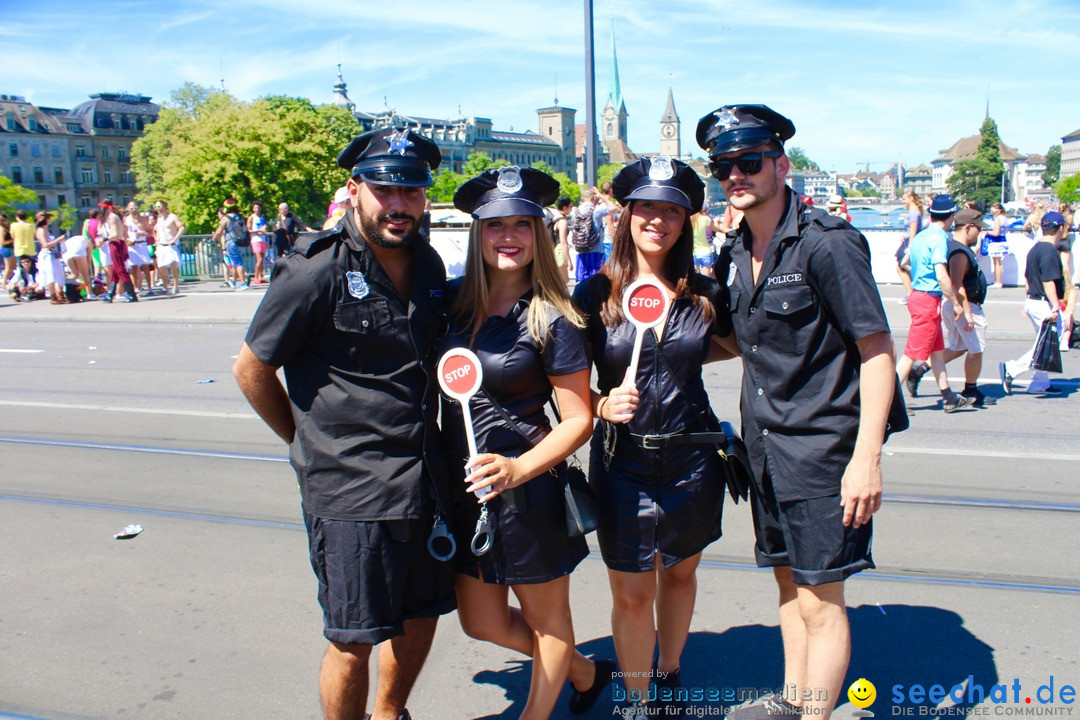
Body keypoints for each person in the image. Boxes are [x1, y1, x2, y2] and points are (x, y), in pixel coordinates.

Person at [233, 127, 456, 720]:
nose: (399, 203)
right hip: (350, 486)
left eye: (412, 191)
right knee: (353, 638)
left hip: (423, 476)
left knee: (420, 613)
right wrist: (302, 439)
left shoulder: (428, 263)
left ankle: (390, 714)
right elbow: (252, 368)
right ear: (355, 189)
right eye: (385, 189)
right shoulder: (316, 271)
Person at [697, 104, 896, 720]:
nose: (736, 174)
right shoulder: (735, 251)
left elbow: (877, 350)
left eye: (749, 162)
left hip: (821, 450)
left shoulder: (827, 245)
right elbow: (739, 340)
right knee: (788, 582)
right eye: (723, 166)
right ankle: (793, 701)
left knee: (820, 598)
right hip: (764, 448)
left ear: (780, 165)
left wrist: (866, 459)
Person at [443, 166, 612, 719]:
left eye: (521, 224)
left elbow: (578, 419)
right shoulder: (452, 304)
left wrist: (518, 471)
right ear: (478, 233)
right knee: (482, 621)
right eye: (495, 225)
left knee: (548, 623)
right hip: (464, 486)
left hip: (527, 487)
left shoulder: (554, 317)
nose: (508, 236)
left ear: (539, 233)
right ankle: (584, 672)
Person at [573, 156, 735, 719]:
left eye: (672, 210)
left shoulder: (707, 293)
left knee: (682, 571)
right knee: (632, 592)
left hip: (694, 459)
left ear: (687, 220)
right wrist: (599, 402)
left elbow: (751, 345)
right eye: (647, 208)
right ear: (626, 214)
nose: (658, 221)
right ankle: (636, 702)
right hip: (624, 463)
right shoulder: (593, 296)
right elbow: (563, 386)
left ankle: (669, 672)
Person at [894, 195, 976, 412]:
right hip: (928, 299)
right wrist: (955, 303)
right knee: (911, 354)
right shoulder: (940, 238)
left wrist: (920, 275)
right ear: (951, 218)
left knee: (937, 352)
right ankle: (891, 400)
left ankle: (949, 397)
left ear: (931, 214)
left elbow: (905, 262)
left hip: (918, 296)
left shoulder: (922, 235)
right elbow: (941, 275)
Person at [1000, 211, 1076, 395]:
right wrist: (1056, 306)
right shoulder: (1049, 250)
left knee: (1043, 342)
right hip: (1044, 303)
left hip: (1034, 299)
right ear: (1060, 228)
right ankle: (1012, 369)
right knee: (1047, 344)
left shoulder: (1035, 248)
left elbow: (1028, 277)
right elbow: (1048, 281)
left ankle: (1040, 382)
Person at [941, 209, 995, 406]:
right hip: (966, 305)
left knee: (958, 347)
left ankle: (920, 369)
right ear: (968, 227)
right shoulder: (959, 251)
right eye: (978, 229)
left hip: (962, 305)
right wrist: (968, 312)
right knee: (976, 349)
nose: (979, 233)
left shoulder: (958, 248)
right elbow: (957, 284)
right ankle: (971, 390)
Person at [99, 198, 137, 303]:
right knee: (115, 270)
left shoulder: (112, 217)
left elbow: (115, 234)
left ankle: (131, 294)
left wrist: (104, 239)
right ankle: (110, 294)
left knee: (120, 269)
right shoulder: (114, 216)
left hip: (116, 244)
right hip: (118, 243)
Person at [213, 198, 249, 291]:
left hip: (231, 242)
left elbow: (219, 231)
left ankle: (243, 283)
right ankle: (233, 280)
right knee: (235, 262)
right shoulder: (239, 216)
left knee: (237, 263)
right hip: (241, 242)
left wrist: (214, 238)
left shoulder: (225, 218)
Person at [570, 190, 606, 283]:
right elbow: (613, 208)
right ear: (593, 198)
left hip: (581, 250)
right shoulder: (596, 210)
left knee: (583, 283)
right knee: (596, 283)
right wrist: (601, 196)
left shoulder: (575, 212)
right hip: (596, 250)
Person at [895, 189, 923, 305]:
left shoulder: (913, 212)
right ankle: (912, 292)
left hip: (909, 242)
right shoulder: (916, 211)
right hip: (907, 240)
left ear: (911, 198)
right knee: (903, 266)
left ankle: (910, 294)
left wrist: (910, 246)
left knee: (901, 267)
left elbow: (913, 229)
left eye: (904, 199)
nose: (903, 202)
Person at [34, 211, 67, 304]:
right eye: (48, 218)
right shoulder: (41, 230)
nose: (50, 220)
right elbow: (45, 245)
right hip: (47, 255)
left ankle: (60, 294)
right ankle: (53, 296)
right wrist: (59, 240)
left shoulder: (45, 229)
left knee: (58, 274)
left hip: (52, 254)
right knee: (50, 275)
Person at [153, 200, 184, 296]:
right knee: (161, 267)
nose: (158, 209)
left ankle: (175, 286)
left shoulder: (172, 217)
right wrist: (156, 240)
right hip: (161, 245)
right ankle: (165, 286)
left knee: (173, 266)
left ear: (165, 206)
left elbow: (182, 227)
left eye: (160, 206)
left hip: (171, 245)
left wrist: (175, 239)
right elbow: (155, 230)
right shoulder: (159, 218)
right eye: (157, 207)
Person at [124, 203, 155, 295]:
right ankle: (135, 288)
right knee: (133, 267)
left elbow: (150, 232)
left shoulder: (143, 219)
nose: (134, 210)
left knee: (145, 265)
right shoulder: (126, 220)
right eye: (131, 208)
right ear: (128, 209)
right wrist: (127, 240)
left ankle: (149, 287)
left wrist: (143, 234)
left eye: (135, 207)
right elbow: (123, 233)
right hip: (132, 245)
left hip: (142, 244)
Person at [984, 202, 1009, 288]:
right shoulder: (1005, 218)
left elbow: (996, 232)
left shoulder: (998, 219)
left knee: (996, 263)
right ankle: (997, 281)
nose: (992, 212)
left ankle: (998, 281)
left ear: (999, 210)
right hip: (1002, 240)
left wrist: (987, 232)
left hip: (997, 242)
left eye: (994, 210)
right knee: (997, 262)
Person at [553, 195, 573, 283]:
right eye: (570, 207)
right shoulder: (563, 221)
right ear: (565, 207)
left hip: (554, 249)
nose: (571, 209)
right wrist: (569, 260)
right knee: (564, 280)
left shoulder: (555, 218)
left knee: (558, 279)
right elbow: (563, 242)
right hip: (560, 251)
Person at [0, 212, 14, 288]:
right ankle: (4, 282)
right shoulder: (1, 229)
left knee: (12, 267)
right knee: (8, 267)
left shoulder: (6, 229)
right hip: (5, 248)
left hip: (9, 247)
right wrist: (12, 240)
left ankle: (5, 281)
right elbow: (2, 242)